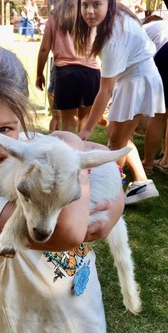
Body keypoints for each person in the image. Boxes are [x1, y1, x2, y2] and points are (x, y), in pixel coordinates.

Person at [0, 35, 125, 332]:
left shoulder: (31, 150)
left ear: (23, 122)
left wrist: (116, 206)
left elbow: (106, 157)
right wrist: (70, 142)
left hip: (84, 313)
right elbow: (67, 232)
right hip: (22, 322)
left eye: (3, 129)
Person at [73, 0, 165, 205]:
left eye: (96, 4)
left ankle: (110, 196)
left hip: (137, 81)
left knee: (115, 144)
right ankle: (142, 181)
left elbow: (105, 90)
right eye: (84, 5)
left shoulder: (113, 36)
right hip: (137, 78)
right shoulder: (116, 17)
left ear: (109, 4)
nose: (89, 11)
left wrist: (86, 130)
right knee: (117, 136)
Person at [36, 0, 100, 133]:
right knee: (84, 122)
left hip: (65, 73)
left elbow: (44, 49)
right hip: (90, 72)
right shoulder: (90, 14)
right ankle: (82, 150)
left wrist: (39, 73)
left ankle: (69, 151)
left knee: (67, 124)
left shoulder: (55, 16)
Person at [141, 18, 168, 175]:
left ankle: (148, 164)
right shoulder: (158, 26)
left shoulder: (142, 29)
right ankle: (166, 161)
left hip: (165, 55)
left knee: (159, 114)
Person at [47, 62, 61, 132]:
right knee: (56, 116)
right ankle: (51, 133)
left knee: (58, 116)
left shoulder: (57, 63)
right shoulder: (59, 64)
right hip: (54, 92)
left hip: (56, 92)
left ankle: (56, 131)